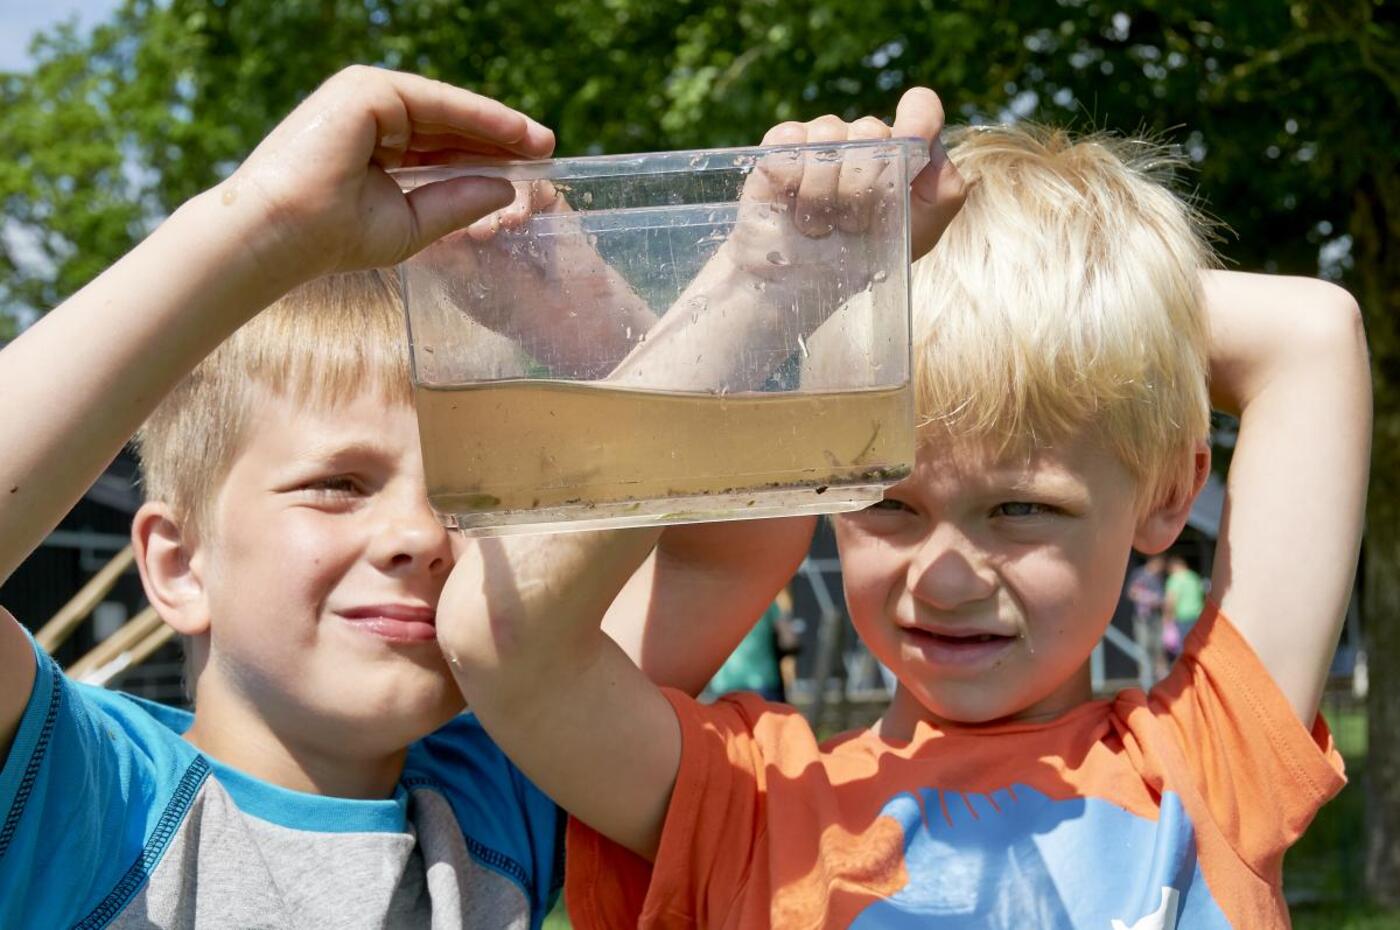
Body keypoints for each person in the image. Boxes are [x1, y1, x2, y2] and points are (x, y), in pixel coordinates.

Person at [0, 65, 889, 927]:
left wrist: (582, 325)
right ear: (177, 563)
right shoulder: (83, 796)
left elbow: (725, 544)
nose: (419, 536)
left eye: (463, 493)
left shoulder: (495, 790)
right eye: (338, 485)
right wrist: (264, 225)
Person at [435, 122, 1371, 928]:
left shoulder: (1212, 765)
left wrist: (1095, 297)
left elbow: (1314, 334)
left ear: (1168, 494)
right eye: (889, 503)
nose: (946, 579)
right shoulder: (749, 805)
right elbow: (503, 633)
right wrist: (770, 288)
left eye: (1021, 509)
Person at [1127, 554, 1168, 678]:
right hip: (1142, 618)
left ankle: (1160, 676)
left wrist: (1157, 601)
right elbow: (1131, 593)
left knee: (1158, 646)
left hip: (1156, 616)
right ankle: (1145, 677)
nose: (1161, 567)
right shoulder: (1139, 574)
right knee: (1143, 645)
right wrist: (1146, 598)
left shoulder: (1158, 577)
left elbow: (1162, 597)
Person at [1164, 553, 1208, 661]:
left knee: (1183, 649)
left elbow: (1170, 601)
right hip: (1198, 616)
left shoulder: (1175, 579)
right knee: (1197, 646)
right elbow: (1203, 595)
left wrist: (1167, 619)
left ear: (1174, 566)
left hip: (1182, 617)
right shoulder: (1194, 577)